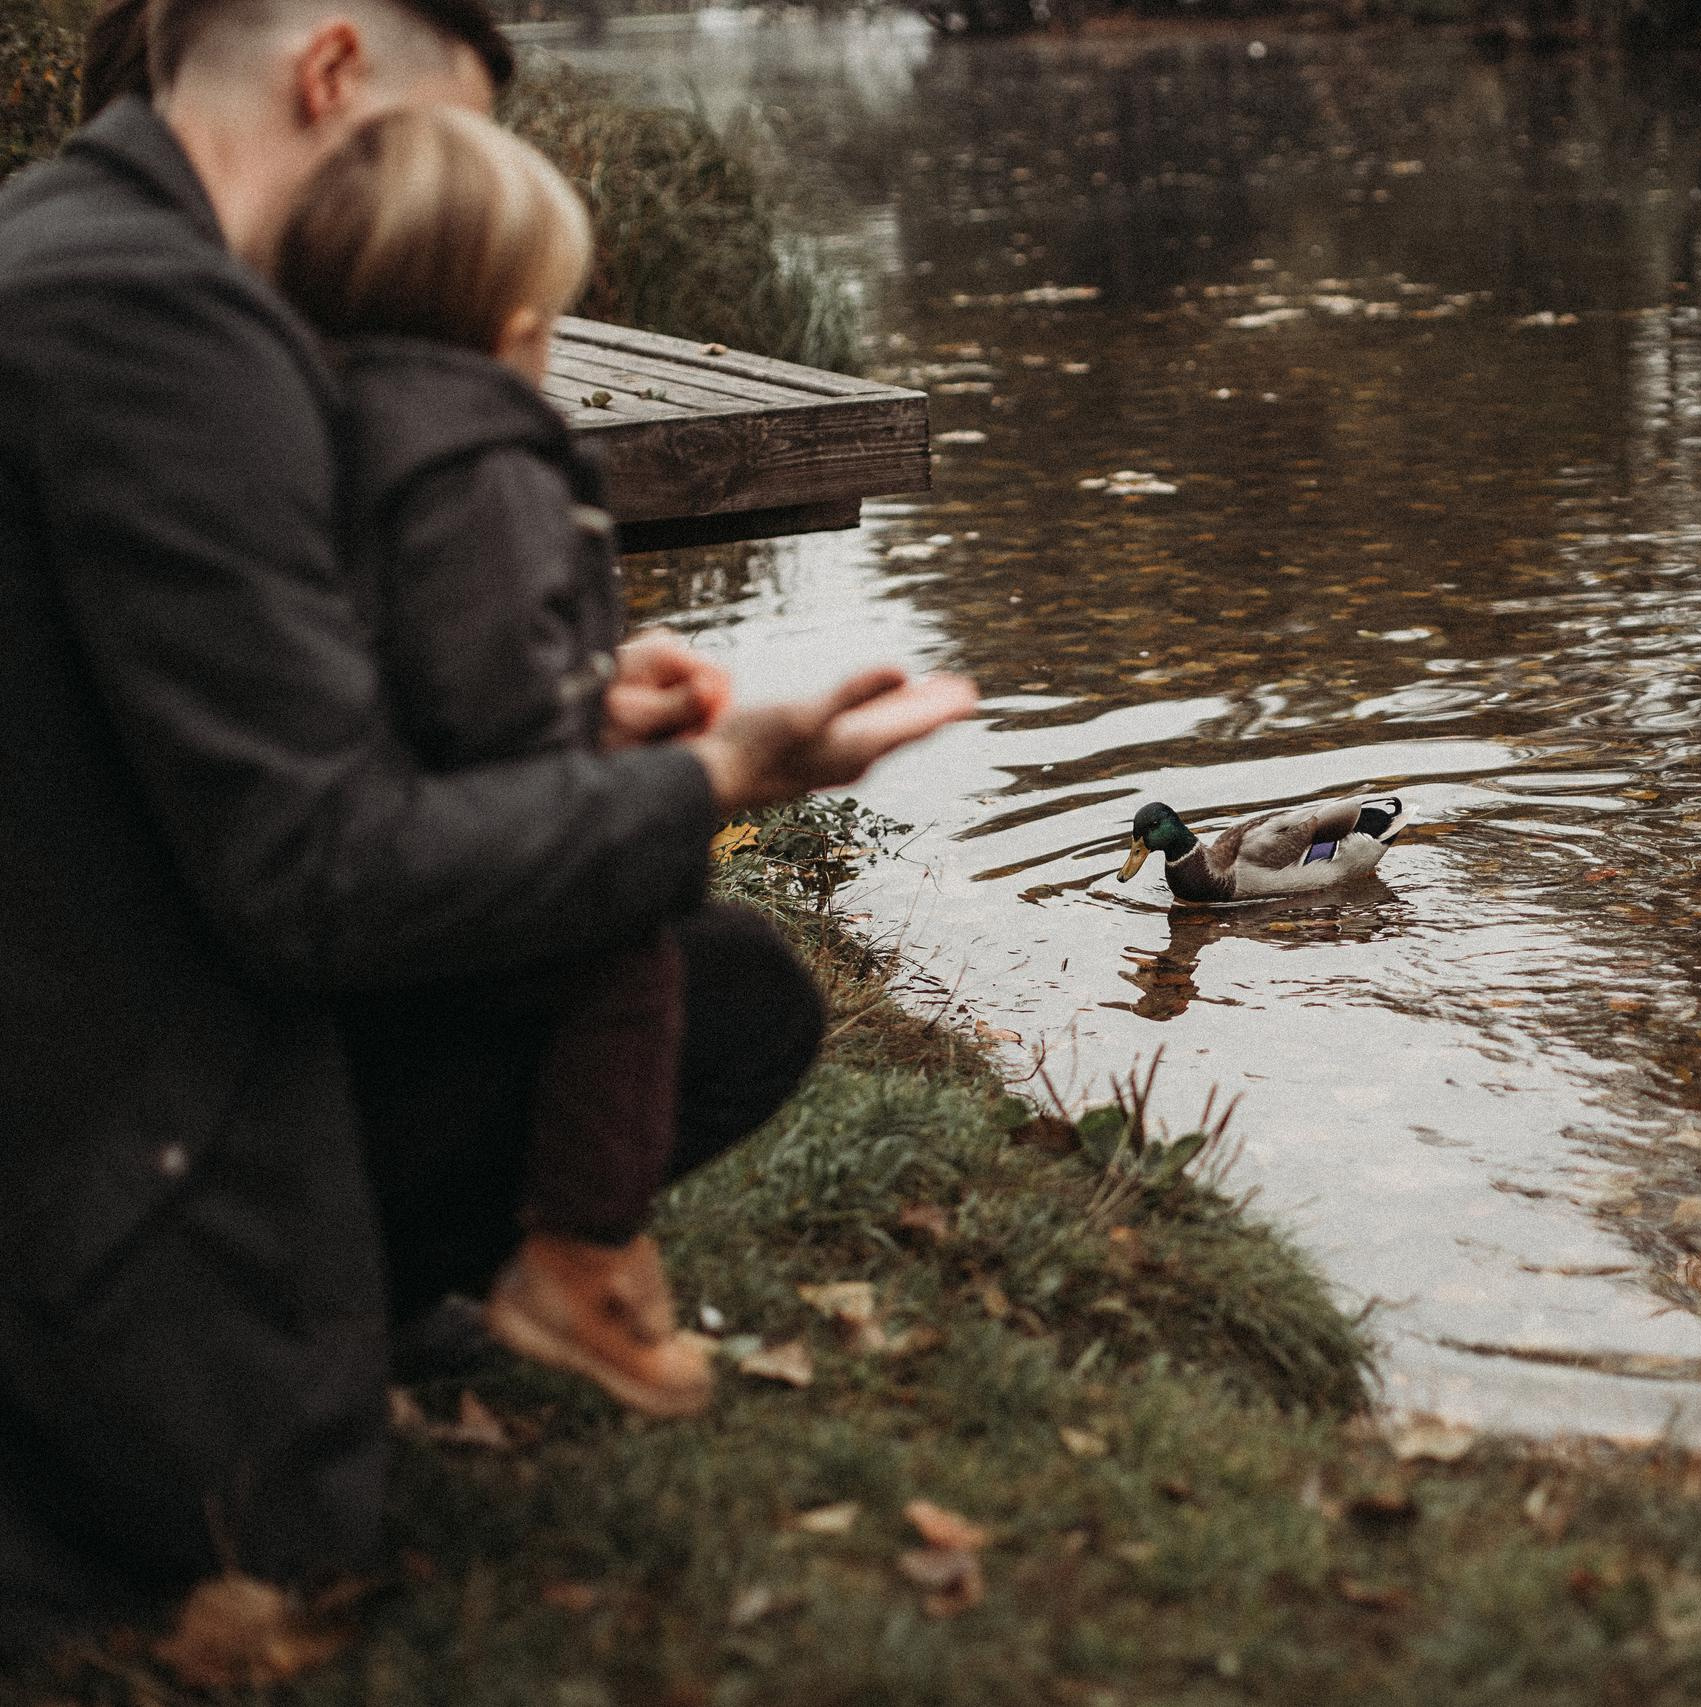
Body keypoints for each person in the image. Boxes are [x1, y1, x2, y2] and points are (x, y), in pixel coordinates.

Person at [0, 0, 974, 1646]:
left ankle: (375, 1285)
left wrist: (564, 724)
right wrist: (713, 779)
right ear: (328, 77)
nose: (442, 202)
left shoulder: (61, 237)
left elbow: (151, 723)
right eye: (430, 144)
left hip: (95, 977)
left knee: (711, 974)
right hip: (88, 1141)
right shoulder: (159, 325)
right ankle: (247, 1356)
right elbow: (315, 881)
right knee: (703, 988)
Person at [272, 103, 731, 1419]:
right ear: (516, 327)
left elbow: (409, 668)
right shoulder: (480, 465)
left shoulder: (314, 426)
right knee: (631, 951)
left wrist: (584, 702)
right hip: (442, 886)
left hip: (355, 863)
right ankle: (581, 1251)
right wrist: (605, 750)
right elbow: (497, 709)